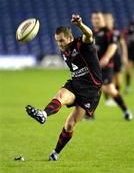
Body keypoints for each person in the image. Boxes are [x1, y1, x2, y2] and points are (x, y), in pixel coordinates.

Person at [25, 14, 102, 161]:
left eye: (61, 40)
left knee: (69, 124)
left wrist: (79, 25)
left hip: (91, 90)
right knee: (60, 95)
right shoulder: (64, 51)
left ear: (70, 38)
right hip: (75, 84)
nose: (59, 44)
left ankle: (55, 152)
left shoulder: (81, 44)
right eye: (57, 41)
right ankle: (44, 114)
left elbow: (89, 34)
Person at [90, 10, 132, 120]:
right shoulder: (91, 33)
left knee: (110, 89)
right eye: (94, 18)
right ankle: (89, 115)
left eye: (98, 18)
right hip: (93, 68)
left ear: (102, 19)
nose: (96, 20)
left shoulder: (109, 32)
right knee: (90, 90)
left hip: (106, 67)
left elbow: (113, 46)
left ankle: (126, 111)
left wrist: (106, 58)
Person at [104, 13, 128, 106]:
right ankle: (107, 99)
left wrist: (124, 56)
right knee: (108, 80)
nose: (108, 21)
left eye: (109, 19)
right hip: (108, 58)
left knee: (118, 81)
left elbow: (122, 44)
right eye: (106, 19)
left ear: (112, 20)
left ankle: (115, 97)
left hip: (117, 57)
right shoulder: (103, 32)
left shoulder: (117, 31)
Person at [124, 16, 134, 94]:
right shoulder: (130, 25)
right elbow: (124, 35)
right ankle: (128, 86)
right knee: (128, 70)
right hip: (131, 50)